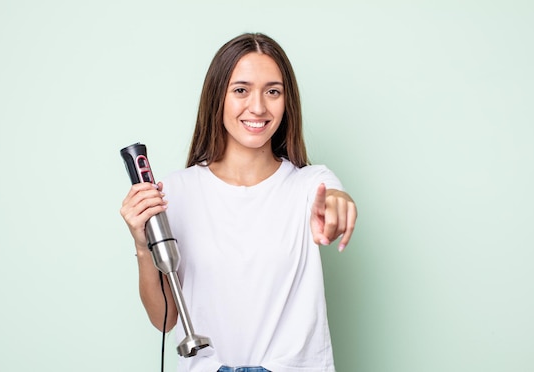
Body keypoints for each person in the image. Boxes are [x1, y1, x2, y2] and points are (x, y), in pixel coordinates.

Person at [120, 33, 357, 372]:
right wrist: (143, 247)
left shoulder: (310, 184)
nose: (258, 107)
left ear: (287, 101)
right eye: (241, 90)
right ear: (218, 97)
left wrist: (337, 205)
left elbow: (333, 200)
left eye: (272, 91)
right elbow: (164, 320)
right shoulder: (173, 192)